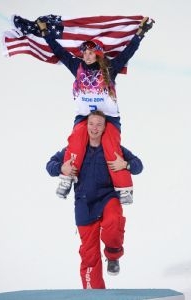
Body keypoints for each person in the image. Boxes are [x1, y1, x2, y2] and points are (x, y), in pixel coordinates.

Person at [39, 16, 152, 203]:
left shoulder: (109, 68)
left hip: (108, 117)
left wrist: (140, 33)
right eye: (85, 52)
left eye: (91, 52)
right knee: (77, 139)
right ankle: (67, 177)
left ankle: (124, 188)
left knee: (110, 145)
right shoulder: (77, 67)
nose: (87, 55)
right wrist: (45, 33)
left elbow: (127, 53)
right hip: (84, 117)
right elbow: (59, 52)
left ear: (99, 54)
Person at [46, 110, 143, 289]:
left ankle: (113, 255)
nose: (95, 128)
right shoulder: (72, 149)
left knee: (114, 221)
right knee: (89, 255)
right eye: (91, 124)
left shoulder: (115, 149)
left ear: (105, 126)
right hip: (84, 204)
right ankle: (94, 294)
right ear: (86, 125)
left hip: (108, 197)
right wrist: (61, 168)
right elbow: (49, 166)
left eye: (99, 124)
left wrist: (125, 164)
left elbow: (138, 166)